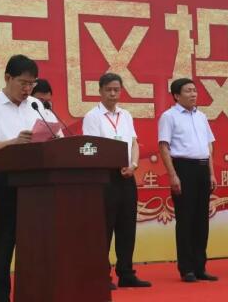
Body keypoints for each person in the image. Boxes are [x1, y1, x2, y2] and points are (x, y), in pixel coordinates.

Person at [0, 54, 41, 302]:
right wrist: (14, 142)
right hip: (4, 182)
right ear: (7, 78)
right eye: (23, 83)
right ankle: (0, 297)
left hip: (35, 184)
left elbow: (54, 138)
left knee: (34, 243)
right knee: (4, 242)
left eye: (31, 84)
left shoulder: (36, 106)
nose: (27, 89)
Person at [82, 73, 151, 289]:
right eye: (108, 90)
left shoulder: (126, 115)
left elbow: (134, 142)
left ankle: (126, 273)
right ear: (100, 91)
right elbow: (92, 147)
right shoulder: (92, 116)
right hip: (105, 177)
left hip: (127, 175)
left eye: (116, 90)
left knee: (127, 226)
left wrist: (134, 165)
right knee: (104, 228)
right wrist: (110, 163)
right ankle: (101, 275)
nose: (113, 93)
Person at [158, 78, 218, 283]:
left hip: (202, 168)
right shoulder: (169, 116)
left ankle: (200, 267)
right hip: (183, 168)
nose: (193, 94)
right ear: (176, 95)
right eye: (188, 91)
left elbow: (209, 147)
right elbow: (164, 147)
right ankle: (187, 268)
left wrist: (211, 173)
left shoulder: (201, 116)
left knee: (202, 220)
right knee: (186, 220)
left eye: (195, 90)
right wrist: (173, 175)